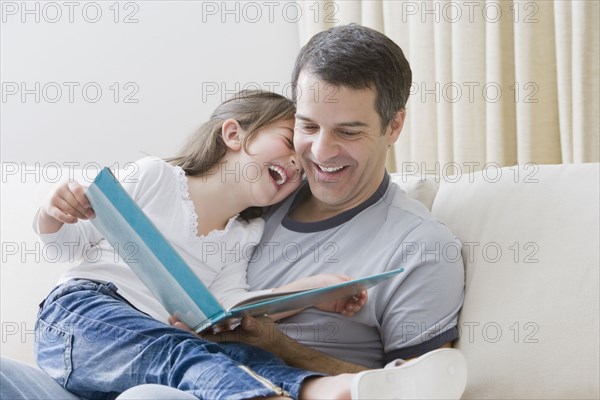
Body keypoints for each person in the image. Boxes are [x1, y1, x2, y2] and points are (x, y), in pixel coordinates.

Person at [191, 23, 466, 384]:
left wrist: (279, 347)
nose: (320, 152)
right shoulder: (261, 196)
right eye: (307, 127)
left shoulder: (419, 248)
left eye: (348, 132)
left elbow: (419, 392)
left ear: (394, 125)